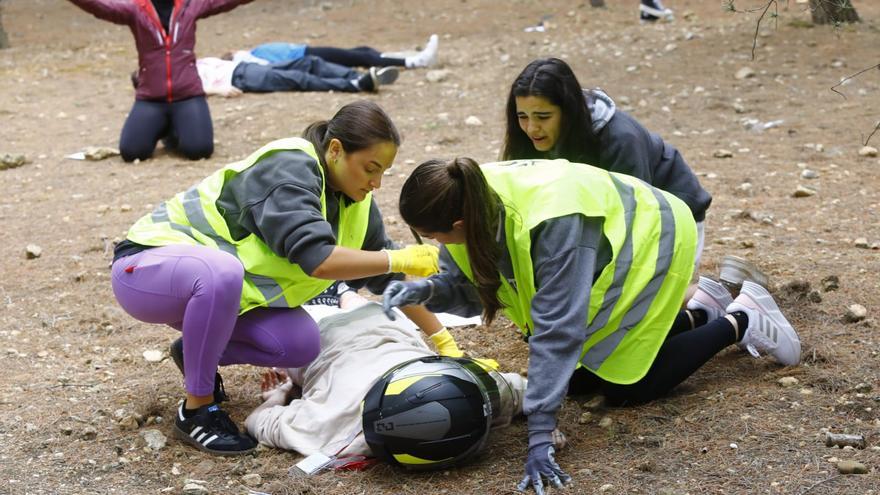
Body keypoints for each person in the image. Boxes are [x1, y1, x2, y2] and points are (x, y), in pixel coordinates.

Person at [381, 158, 801, 494]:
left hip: (648, 240)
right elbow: (473, 285)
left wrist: (541, 437)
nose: (435, 245)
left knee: (626, 387)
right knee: (580, 382)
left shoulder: (552, 227)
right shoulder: (468, 197)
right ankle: (702, 312)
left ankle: (742, 319)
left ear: (458, 225)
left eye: (433, 235)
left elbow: (558, 330)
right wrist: (427, 292)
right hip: (601, 255)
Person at [110, 101, 464, 456]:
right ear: (336, 150)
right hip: (146, 269)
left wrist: (444, 342)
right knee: (222, 272)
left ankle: (194, 351)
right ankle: (197, 410)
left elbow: (390, 278)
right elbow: (318, 259)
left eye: (384, 171)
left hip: (212, 290)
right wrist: (396, 256)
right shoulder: (291, 167)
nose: (377, 183)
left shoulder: (357, 205)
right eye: (370, 168)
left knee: (300, 343)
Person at [246, 288, 527, 467]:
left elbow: (526, 390)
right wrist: (278, 397)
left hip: (382, 322)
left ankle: (343, 292)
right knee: (348, 305)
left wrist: (278, 394)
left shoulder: (469, 390)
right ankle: (343, 292)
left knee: (356, 304)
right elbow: (258, 422)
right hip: (326, 336)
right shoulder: (328, 426)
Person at [502, 58, 711, 266]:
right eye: (523, 116)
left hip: (670, 219)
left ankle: (708, 296)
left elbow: (637, 220)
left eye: (543, 116)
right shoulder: (534, 139)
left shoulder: (621, 140)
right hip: (605, 226)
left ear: (569, 111)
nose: (531, 128)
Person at [66, 0, 255, 162]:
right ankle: (164, 126)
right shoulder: (136, 9)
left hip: (188, 95)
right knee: (132, 153)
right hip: (151, 98)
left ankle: (175, 128)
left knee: (200, 151)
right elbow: (101, 6)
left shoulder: (190, 5)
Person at [195, 54, 399, 98]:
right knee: (298, 78)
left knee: (310, 61)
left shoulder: (186, 59)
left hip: (246, 66)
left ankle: (363, 76)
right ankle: (354, 84)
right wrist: (216, 90)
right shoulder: (175, 77)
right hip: (240, 78)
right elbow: (180, 92)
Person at [245, 34, 439, 70]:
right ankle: (414, 62)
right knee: (359, 57)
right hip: (308, 56)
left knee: (363, 51)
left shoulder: (255, 51)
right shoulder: (249, 58)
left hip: (307, 51)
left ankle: (397, 60)